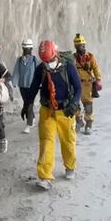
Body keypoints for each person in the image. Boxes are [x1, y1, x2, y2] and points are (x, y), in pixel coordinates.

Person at [26, 40, 82, 191]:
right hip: (48, 111)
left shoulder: (68, 67)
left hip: (65, 111)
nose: (48, 63)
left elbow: (78, 87)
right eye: (45, 61)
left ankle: (70, 166)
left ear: (55, 54)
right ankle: (45, 177)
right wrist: (27, 105)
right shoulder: (41, 69)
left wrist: (74, 103)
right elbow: (33, 88)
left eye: (50, 60)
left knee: (68, 141)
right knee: (46, 141)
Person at [73, 33, 103, 134]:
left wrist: (98, 79)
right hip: (76, 85)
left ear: (84, 45)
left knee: (88, 106)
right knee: (75, 105)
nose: (80, 47)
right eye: (77, 45)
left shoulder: (90, 57)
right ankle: (79, 121)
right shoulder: (73, 58)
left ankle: (89, 124)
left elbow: (96, 68)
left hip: (87, 85)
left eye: (81, 45)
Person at [13, 38, 40, 133]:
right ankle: (32, 118)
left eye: (27, 48)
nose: (25, 50)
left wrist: (40, 82)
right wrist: (14, 82)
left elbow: (39, 71)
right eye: (24, 48)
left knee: (30, 104)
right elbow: (16, 71)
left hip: (32, 85)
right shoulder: (19, 60)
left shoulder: (34, 60)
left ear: (31, 49)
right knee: (26, 102)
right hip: (22, 85)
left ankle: (29, 125)